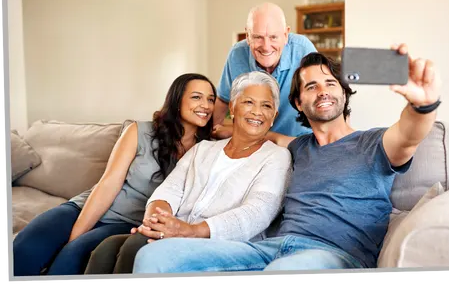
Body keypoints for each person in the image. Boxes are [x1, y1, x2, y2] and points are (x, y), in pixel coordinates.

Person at [132, 43, 442, 273]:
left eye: (330, 83)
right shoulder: (297, 147)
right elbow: (258, 131)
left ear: (344, 94)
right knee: (154, 257)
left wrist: (424, 105)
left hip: (335, 257)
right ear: (297, 101)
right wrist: (221, 128)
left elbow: (409, 134)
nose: (322, 91)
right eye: (311, 86)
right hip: (268, 250)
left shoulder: (374, 143)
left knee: (282, 274)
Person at [83, 71, 292, 275]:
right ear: (233, 108)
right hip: (178, 233)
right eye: (248, 102)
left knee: (135, 246)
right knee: (106, 249)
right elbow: (168, 191)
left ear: (273, 116)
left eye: (266, 106)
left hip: (225, 244)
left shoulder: (277, 157)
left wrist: (189, 231)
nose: (257, 112)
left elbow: (256, 214)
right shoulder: (204, 149)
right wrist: (157, 223)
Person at [12, 73, 217, 276]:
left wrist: (71, 246)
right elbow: (108, 184)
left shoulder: (207, 151)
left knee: (68, 261)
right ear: (176, 100)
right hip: (84, 207)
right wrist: (75, 235)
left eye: (211, 99)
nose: (206, 105)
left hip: (126, 223)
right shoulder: (139, 131)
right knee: (23, 249)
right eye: (196, 97)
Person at [211, 2, 317, 145]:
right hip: (252, 142)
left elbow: (323, 97)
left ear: (286, 35)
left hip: (297, 141)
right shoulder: (237, 54)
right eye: (258, 37)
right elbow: (223, 100)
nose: (266, 47)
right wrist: (209, 139)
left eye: (273, 37)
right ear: (248, 36)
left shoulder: (303, 50)